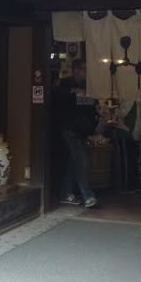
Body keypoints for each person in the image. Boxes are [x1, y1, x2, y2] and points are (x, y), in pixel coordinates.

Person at [52, 59, 98, 208]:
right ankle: (87, 195)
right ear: (75, 70)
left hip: (80, 129)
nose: (85, 72)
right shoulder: (65, 84)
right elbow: (59, 102)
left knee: (73, 162)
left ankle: (65, 193)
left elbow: (91, 107)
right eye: (83, 69)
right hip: (69, 128)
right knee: (81, 159)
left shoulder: (88, 85)